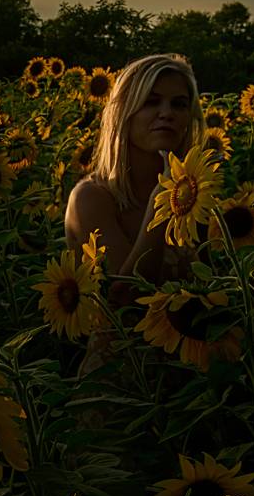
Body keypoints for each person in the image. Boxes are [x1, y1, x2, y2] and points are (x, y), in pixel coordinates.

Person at [64, 53, 203, 375]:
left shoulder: (197, 197)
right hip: (121, 380)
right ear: (124, 112)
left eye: (179, 104)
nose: (167, 113)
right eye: (151, 102)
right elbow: (126, 297)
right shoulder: (92, 197)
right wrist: (163, 203)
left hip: (192, 378)